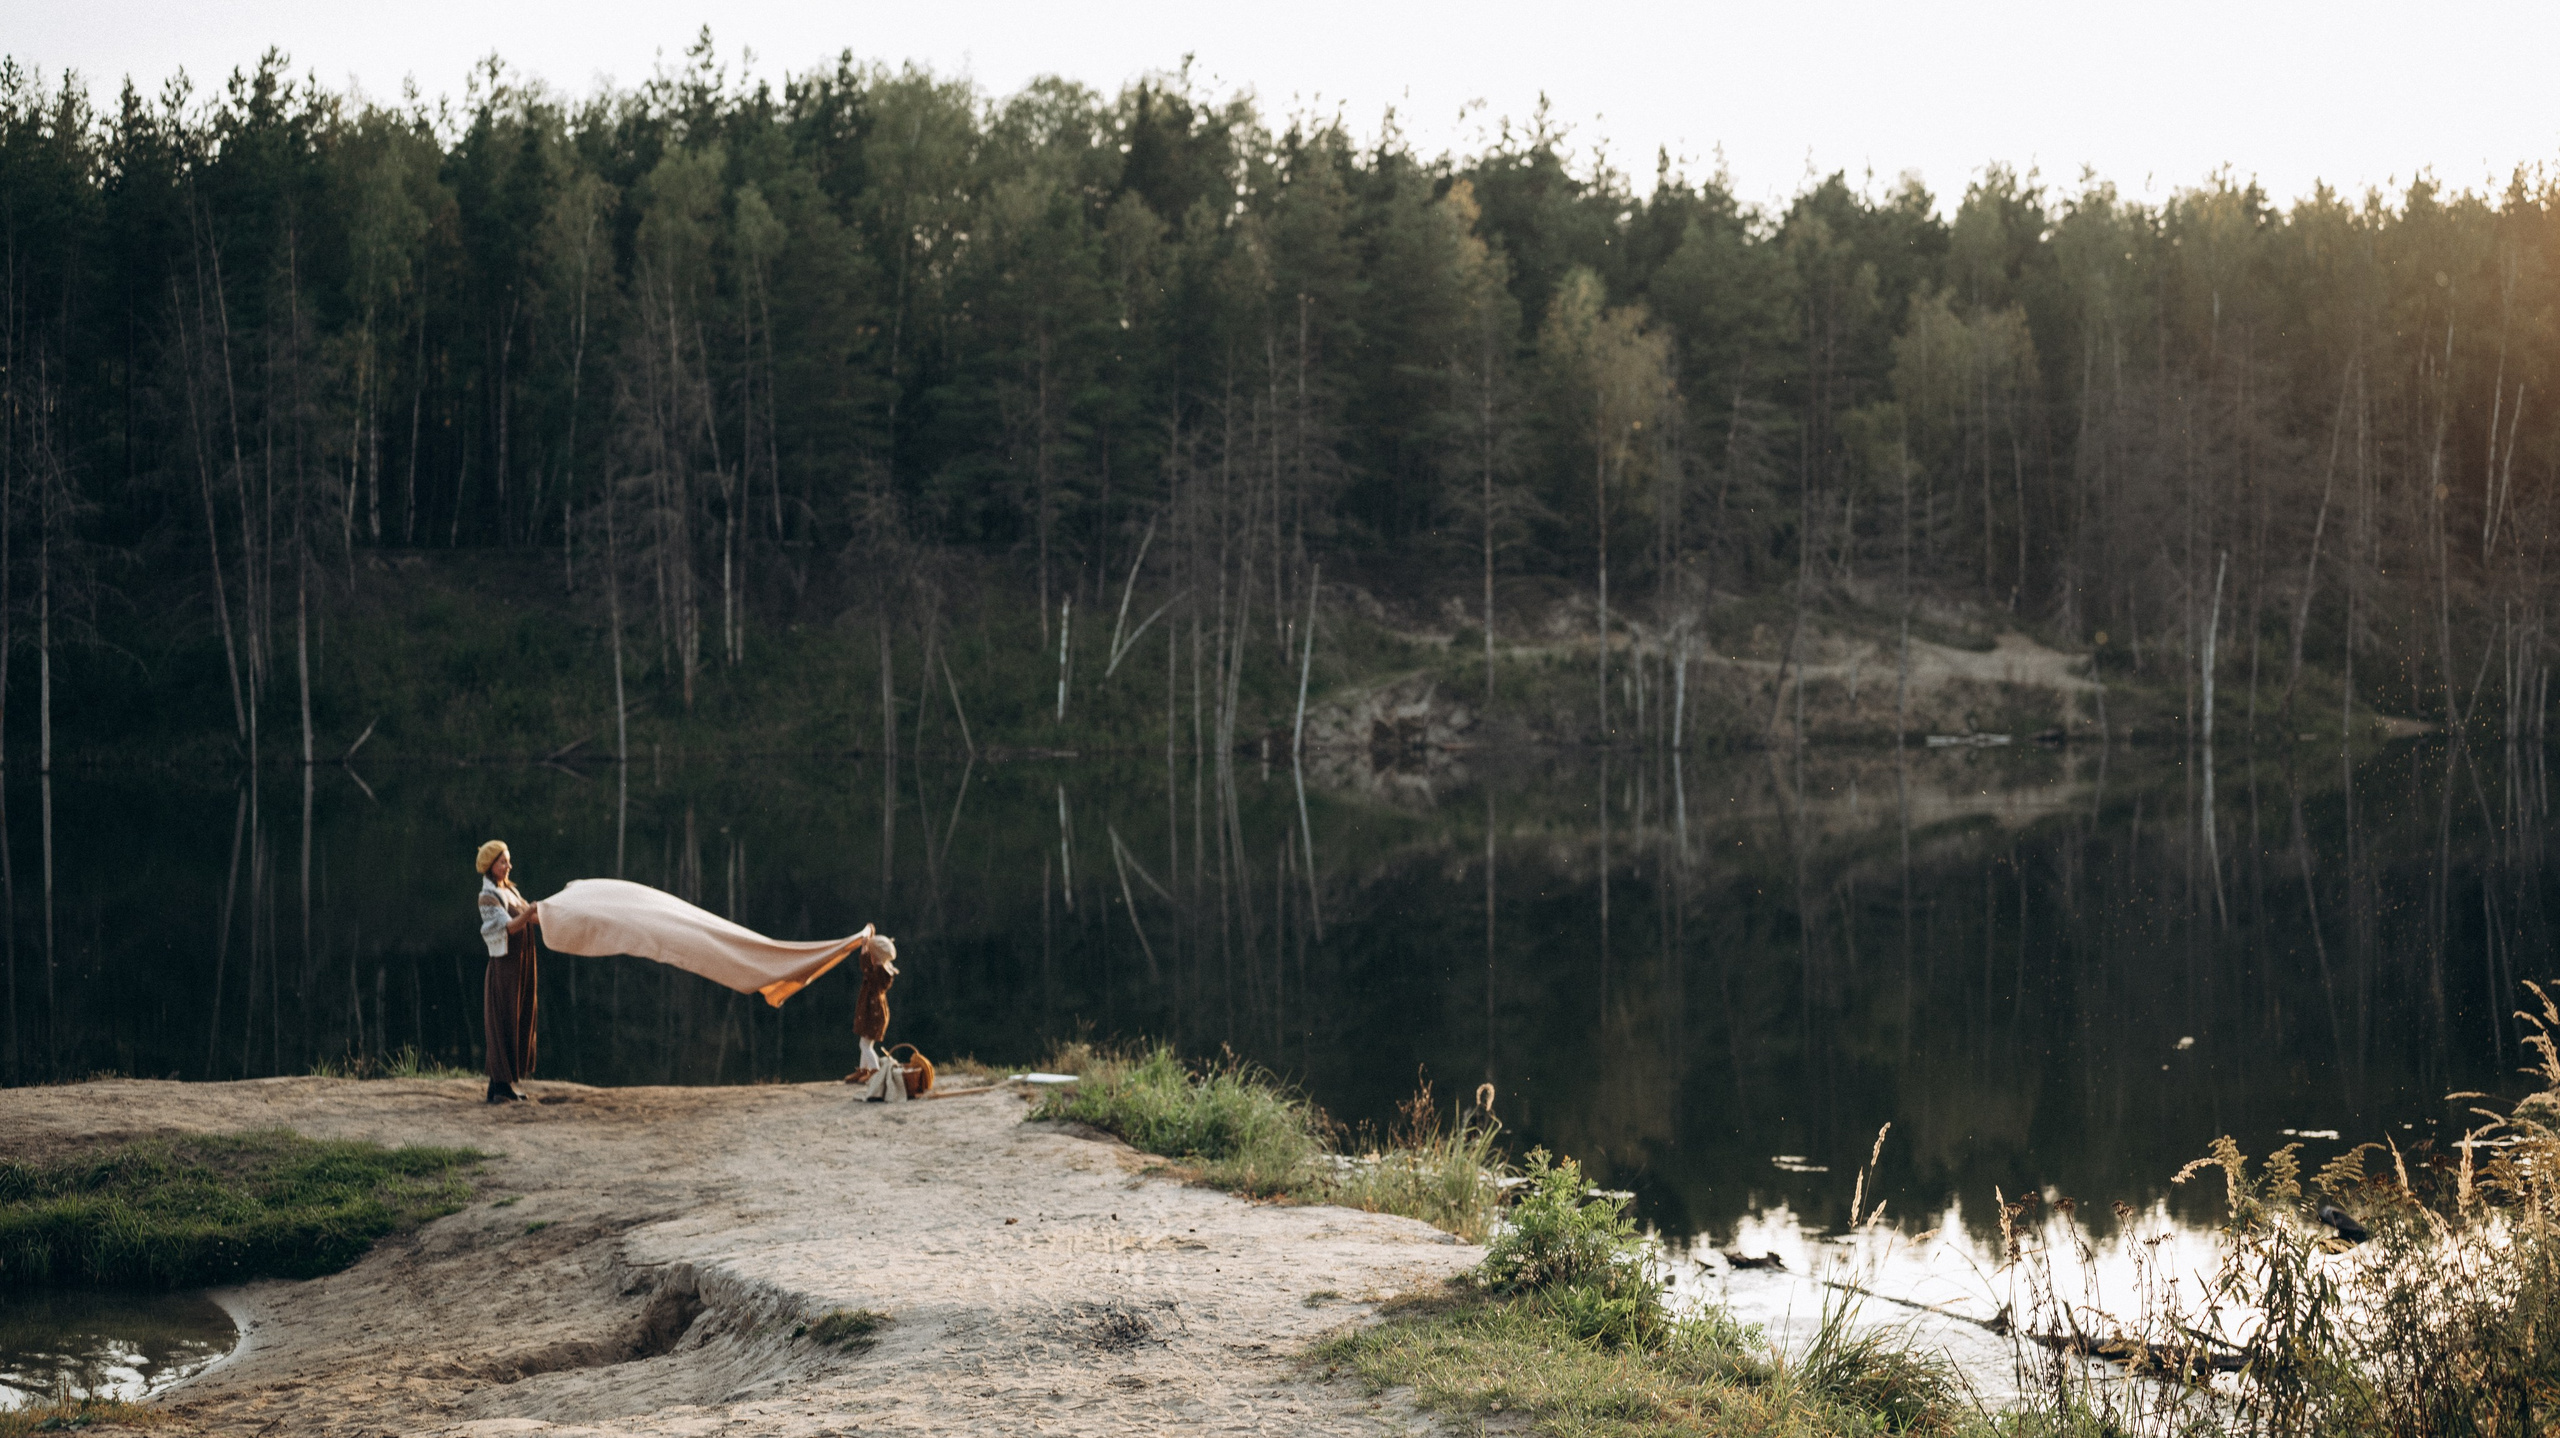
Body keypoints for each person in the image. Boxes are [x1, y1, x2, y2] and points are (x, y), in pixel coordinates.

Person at [475, 840, 541, 1104]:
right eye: (503, 862)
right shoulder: (488, 896)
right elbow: (509, 927)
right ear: (491, 866)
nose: (508, 866)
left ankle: (499, 1085)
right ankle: (501, 1086)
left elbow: (531, 916)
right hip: (505, 968)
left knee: (517, 1017)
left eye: (508, 861)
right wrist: (531, 911)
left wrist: (549, 911)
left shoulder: (510, 891)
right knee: (504, 1020)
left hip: (520, 965)